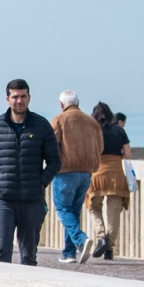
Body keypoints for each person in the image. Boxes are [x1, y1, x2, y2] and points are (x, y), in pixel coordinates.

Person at [0, 79, 59, 265]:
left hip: (32, 200)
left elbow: (55, 161)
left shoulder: (41, 125)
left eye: (23, 96)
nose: (19, 101)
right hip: (3, 199)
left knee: (29, 256)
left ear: (29, 98)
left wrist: (41, 183)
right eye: (15, 97)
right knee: (2, 252)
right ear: (7, 99)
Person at [48, 91, 102, 262]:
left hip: (65, 171)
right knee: (73, 211)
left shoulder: (59, 120)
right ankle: (69, 252)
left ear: (61, 104)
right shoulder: (92, 122)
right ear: (77, 103)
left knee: (63, 209)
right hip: (86, 172)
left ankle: (80, 240)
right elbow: (100, 147)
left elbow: (50, 146)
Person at [84, 100, 131, 260]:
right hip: (116, 176)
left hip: (97, 174)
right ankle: (109, 247)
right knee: (114, 212)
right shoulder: (119, 131)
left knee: (93, 207)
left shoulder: (92, 131)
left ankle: (101, 237)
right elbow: (128, 154)